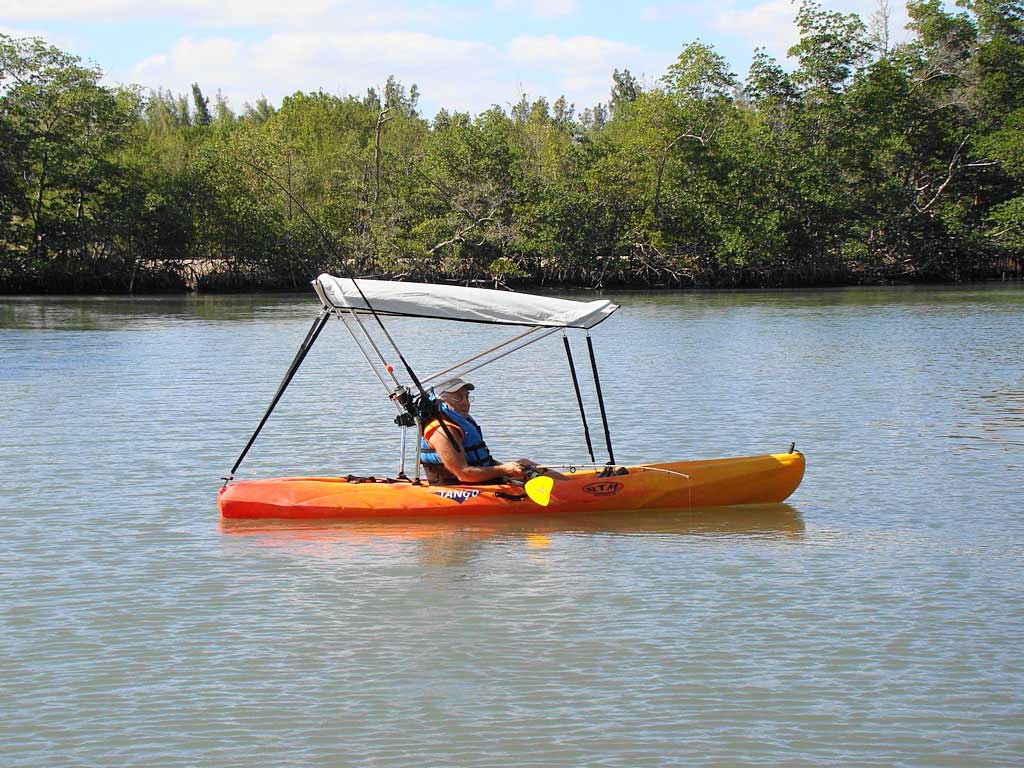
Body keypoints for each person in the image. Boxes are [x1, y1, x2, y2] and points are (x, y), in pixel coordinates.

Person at [419, 377, 538, 485]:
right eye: (458, 397)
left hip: (481, 480)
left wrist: (510, 468)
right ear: (441, 401)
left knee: (526, 464)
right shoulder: (443, 431)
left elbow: (481, 461)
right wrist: (504, 470)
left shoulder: (460, 422)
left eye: (467, 396)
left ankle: (556, 485)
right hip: (459, 487)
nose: (465, 402)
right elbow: (463, 474)